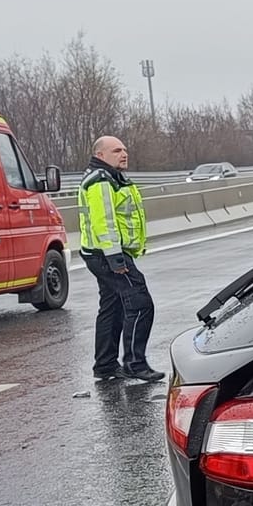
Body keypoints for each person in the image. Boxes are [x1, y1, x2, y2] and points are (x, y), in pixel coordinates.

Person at [77, 135, 160, 382]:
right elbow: (105, 222)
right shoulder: (101, 181)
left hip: (100, 253)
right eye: (116, 150)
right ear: (100, 155)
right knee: (140, 303)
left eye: (124, 149)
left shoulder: (112, 178)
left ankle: (105, 365)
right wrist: (116, 259)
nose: (123, 154)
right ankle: (135, 363)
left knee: (112, 307)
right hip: (108, 254)